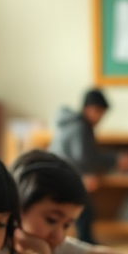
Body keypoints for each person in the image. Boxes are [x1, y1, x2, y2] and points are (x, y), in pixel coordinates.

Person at [0, 150, 128, 254]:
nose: (59, 235)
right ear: (17, 207)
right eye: (51, 220)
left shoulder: (55, 248)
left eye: (67, 225)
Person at [48, 87, 119, 244]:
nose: (100, 118)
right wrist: (84, 175)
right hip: (61, 174)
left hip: (62, 171)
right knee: (83, 204)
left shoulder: (75, 124)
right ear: (90, 109)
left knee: (84, 202)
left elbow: (83, 156)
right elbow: (81, 157)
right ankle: (86, 240)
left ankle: (86, 239)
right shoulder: (80, 126)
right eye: (99, 112)